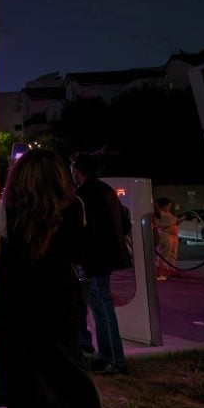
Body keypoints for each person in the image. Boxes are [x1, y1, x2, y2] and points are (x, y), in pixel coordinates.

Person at [0, 149, 117, 408]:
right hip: (61, 295)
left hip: (21, 300)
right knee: (69, 360)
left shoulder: (12, 210)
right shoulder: (73, 207)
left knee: (32, 371)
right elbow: (81, 248)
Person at [70, 151, 131, 375]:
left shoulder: (82, 193)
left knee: (102, 308)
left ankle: (113, 359)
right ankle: (110, 356)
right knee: (101, 305)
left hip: (93, 258)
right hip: (107, 256)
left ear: (78, 170)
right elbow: (125, 224)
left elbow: (78, 228)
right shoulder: (107, 190)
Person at [154, 197, 180, 281]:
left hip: (173, 236)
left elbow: (174, 220)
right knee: (164, 253)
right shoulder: (158, 214)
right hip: (165, 235)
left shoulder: (168, 214)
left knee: (173, 253)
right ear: (162, 206)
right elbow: (158, 224)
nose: (169, 208)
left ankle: (171, 269)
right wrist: (172, 222)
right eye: (167, 206)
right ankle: (161, 270)